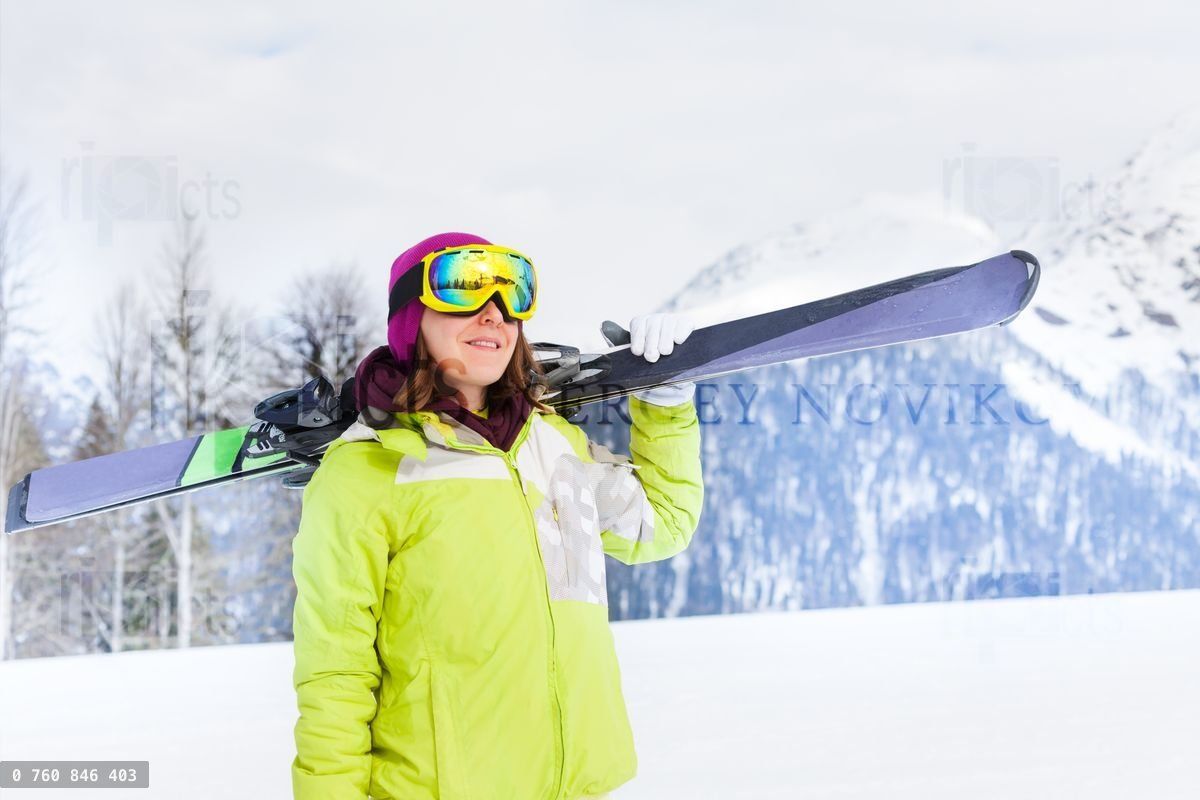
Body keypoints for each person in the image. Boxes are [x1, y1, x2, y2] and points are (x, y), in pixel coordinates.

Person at [290, 232, 703, 799]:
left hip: (581, 785)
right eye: (463, 289)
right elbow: (336, 673)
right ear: (412, 318)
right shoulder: (365, 473)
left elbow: (664, 522)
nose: (494, 314)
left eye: (513, 297)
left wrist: (666, 410)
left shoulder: (556, 446)